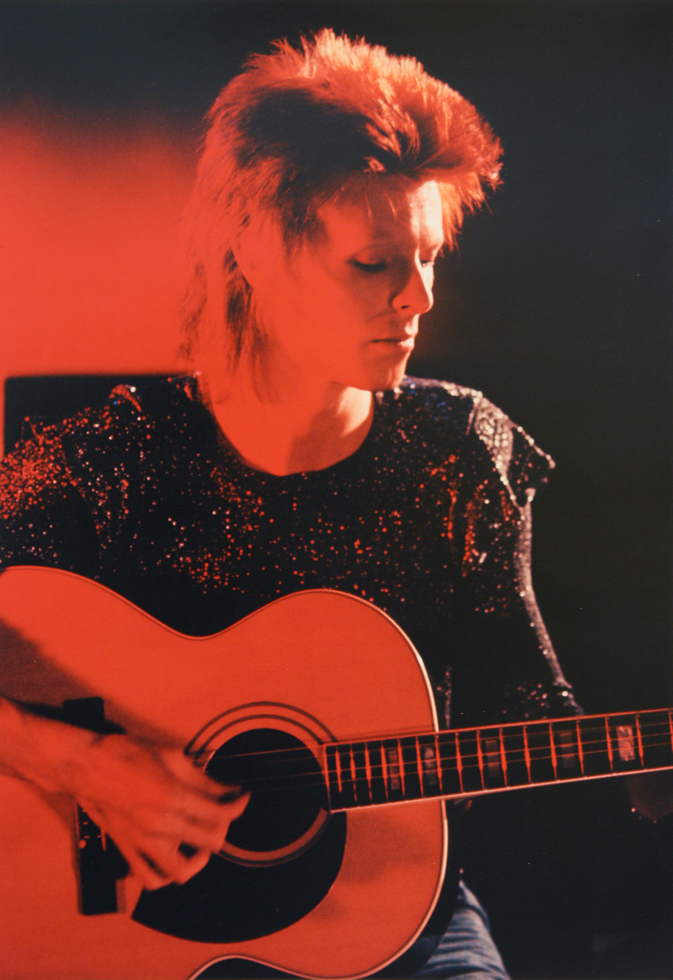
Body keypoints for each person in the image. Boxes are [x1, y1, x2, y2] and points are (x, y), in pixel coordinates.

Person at [0, 27, 611, 979]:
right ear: (250, 244)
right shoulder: (108, 455)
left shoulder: (458, 451)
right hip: (124, 936)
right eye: (373, 265)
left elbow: (526, 708)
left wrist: (642, 775)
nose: (417, 300)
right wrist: (81, 766)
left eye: (428, 257)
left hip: (394, 916)